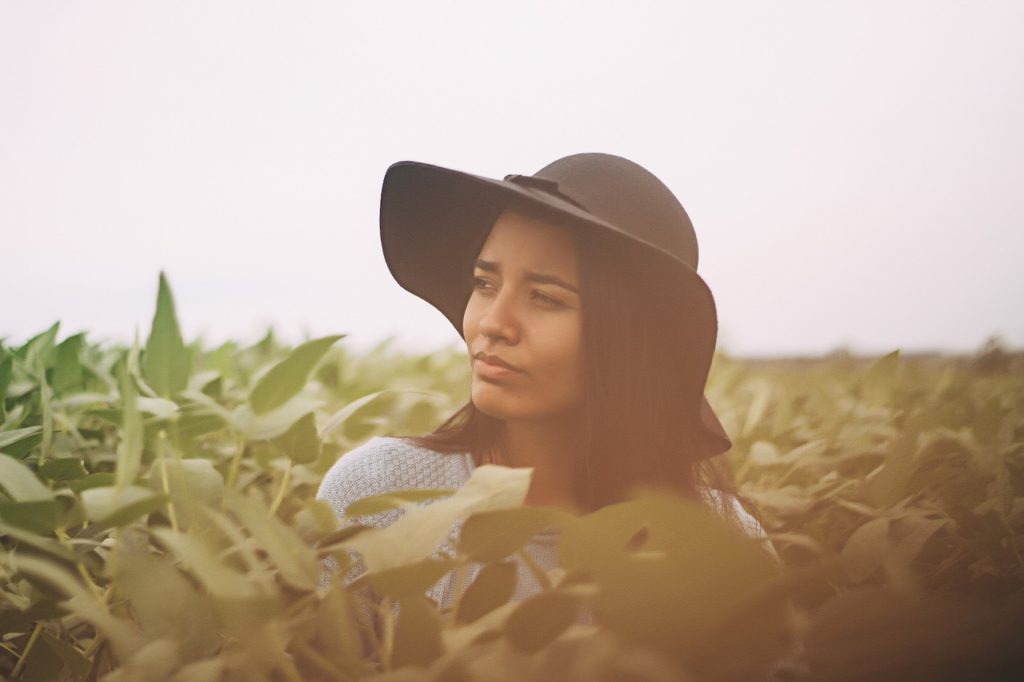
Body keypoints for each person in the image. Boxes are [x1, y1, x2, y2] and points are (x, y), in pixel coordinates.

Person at [316, 152, 777, 619]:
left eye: (545, 298)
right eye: (484, 282)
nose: (493, 324)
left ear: (629, 339)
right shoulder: (376, 495)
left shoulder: (722, 545)